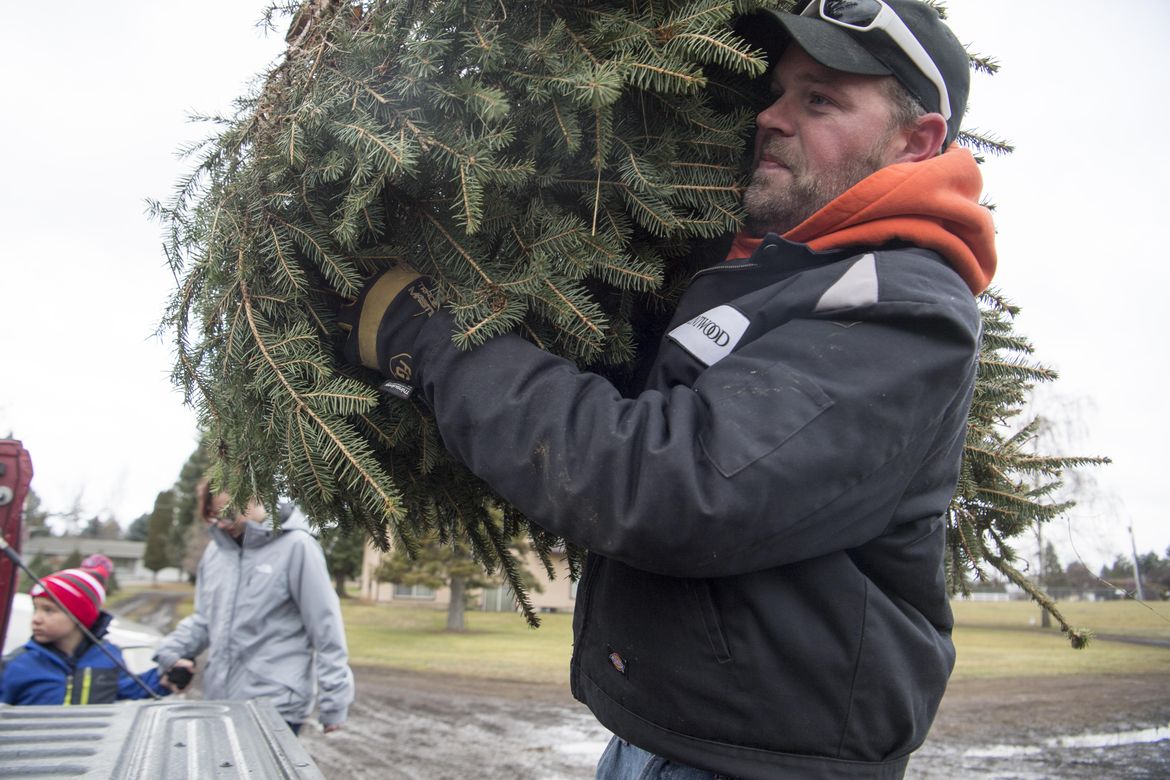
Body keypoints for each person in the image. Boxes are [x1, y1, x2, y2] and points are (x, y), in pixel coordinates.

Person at [340, 0, 995, 776]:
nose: (771, 118)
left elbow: (672, 485)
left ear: (915, 142)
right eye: (778, 92)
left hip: (761, 763)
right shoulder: (764, 275)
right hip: (669, 739)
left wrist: (426, 338)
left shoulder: (901, 306)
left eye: (820, 99)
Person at [153, 481, 354, 735]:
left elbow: (326, 628)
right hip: (219, 703)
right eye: (214, 516)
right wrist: (171, 653)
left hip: (275, 706)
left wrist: (334, 701)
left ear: (253, 497)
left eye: (228, 513)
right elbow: (205, 619)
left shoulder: (297, 547)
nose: (222, 523)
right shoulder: (215, 553)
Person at [0, 567, 172, 704]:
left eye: (49, 610)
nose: (36, 619)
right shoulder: (17, 665)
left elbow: (129, 687)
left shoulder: (108, 657)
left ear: (79, 616)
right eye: (36, 609)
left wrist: (166, 678)